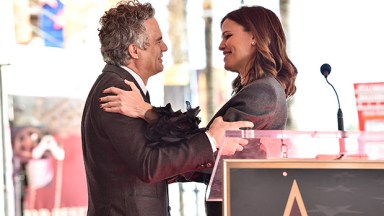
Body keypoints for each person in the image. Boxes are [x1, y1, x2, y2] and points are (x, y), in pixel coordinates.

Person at [99, 4, 297, 216]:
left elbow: (217, 149)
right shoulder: (255, 90)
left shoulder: (263, 92)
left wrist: (146, 111)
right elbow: (207, 146)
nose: (221, 45)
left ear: (254, 37)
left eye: (228, 36)